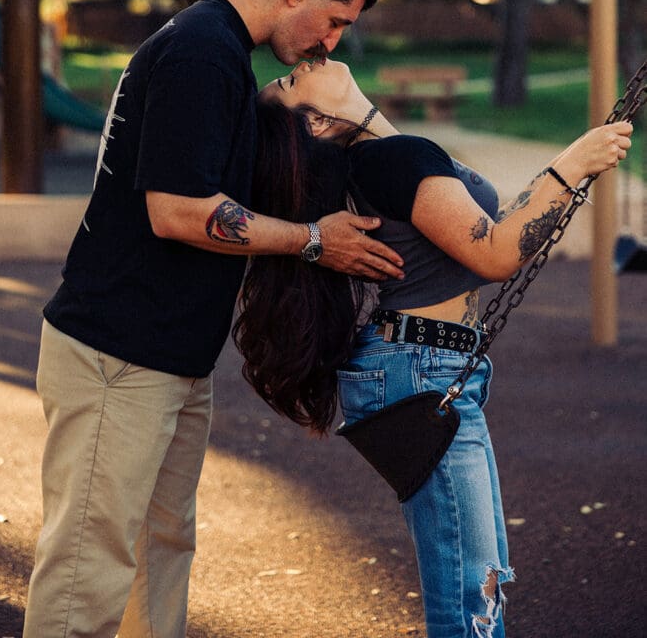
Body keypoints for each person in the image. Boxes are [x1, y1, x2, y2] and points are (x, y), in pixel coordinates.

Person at [22, 0, 406, 638]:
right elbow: (177, 212)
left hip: (167, 358)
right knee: (87, 574)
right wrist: (313, 242)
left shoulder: (223, 53)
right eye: (332, 22)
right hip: (117, 356)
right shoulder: (201, 54)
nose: (329, 43)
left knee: (159, 555)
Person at [233, 57, 633, 638]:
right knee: (471, 593)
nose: (306, 61)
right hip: (420, 366)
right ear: (317, 123)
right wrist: (574, 163)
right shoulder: (391, 159)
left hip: (421, 362)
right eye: (292, 81)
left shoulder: (385, 154)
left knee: (484, 579)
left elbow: (482, 223)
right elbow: (495, 253)